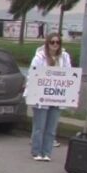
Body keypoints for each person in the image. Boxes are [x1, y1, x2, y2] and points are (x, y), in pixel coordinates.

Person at [27, 32, 71, 161]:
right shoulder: (39, 57)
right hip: (41, 97)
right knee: (39, 126)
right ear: (47, 43)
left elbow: (68, 73)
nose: (55, 45)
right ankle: (36, 152)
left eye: (57, 42)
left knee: (51, 128)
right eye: (52, 42)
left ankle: (47, 152)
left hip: (56, 96)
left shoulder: (64, 57)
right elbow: (33, 74)